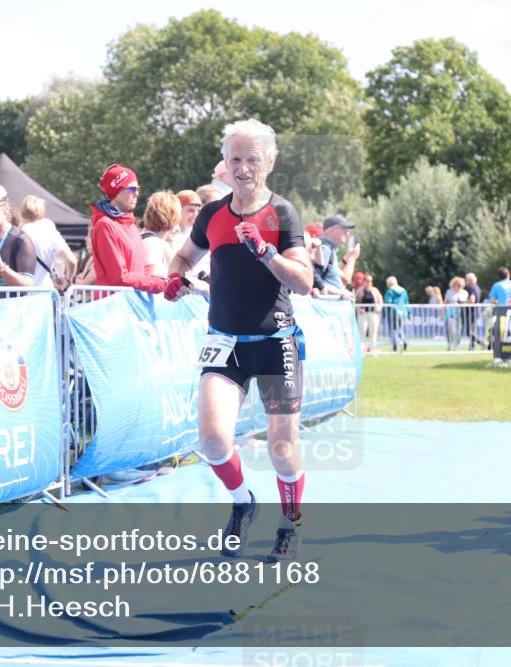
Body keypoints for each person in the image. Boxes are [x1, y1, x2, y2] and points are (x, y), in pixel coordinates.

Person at [167, 119, 312, 562]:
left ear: (270, 162)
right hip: (225, 341)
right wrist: (176, 277)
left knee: (282, 450)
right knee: (212, 440)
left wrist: (267, 252)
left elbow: (305, 281)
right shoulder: (212, 215)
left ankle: (292, 524)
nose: (243, 168)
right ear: (225, 166)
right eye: (235, 159)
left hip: (275, 342)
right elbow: (183, 256)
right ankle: (245, 501)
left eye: (252, 159)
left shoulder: (282, 214)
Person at [90, 164, 167, 294]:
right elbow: (120, 278)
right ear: (116, 191)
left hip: (131, 304)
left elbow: (138, 270)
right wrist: (157, 283)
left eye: (137, 189)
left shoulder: (131, 224)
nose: (136, 193)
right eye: (131, 189)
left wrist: (158, 280)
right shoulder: (105, 225)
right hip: (113, 306)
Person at [17, 195, 76, 289]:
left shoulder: (17, 234)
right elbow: (71, 261)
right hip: (45, 292)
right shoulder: (49, 231)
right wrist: (67, 280)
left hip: (22, 294)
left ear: (21, 214)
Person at [319, 214, 360, 297]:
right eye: (343, 228)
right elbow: (346, 279)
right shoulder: (325, 250)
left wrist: (347, 257)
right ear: (331, 230)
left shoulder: (326, 248)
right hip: (328, 306)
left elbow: (333, 272)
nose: (347, 232)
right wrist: (352, 257)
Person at [141, 191, 181, 277]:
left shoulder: (152, 241)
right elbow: (152, 277)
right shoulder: (152, 243)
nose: (178, 229)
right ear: (169, 218)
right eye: (176, 221)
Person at [355, 273, 383, 354]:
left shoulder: (375, 290)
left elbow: (380, 301)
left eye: (371, 281)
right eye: (367, 281)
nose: (369, 282)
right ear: (364, 281)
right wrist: (359, 308)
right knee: (362, 332)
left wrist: (378, 307)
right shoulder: (360, 291)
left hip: (373, 314)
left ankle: (373, 350)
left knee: (373, 332)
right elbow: (356, 302)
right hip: (363, 315)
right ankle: (361, 351)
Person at [384, 275, 410, 352]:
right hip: (402, 312)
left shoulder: (390, 291)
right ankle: (404, 341)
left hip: (393, 312)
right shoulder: (403, 291)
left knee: (393, 330)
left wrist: (385, 313)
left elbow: (388, 302)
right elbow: (406, 302)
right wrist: (408, 313)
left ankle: (395, 346)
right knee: (400, 329)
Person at [444, 276, 468, 351]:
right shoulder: (449, 292)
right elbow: (445, 302)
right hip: (450, 314)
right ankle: (449, 344)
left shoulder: (464, 293)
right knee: (451, 329)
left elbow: (466, 303)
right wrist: (442, 312)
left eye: (460, 285)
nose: (459, 286)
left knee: (459, 330)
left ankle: (457, 346)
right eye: (458, 285)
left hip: (460, 314)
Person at [463, 272, 483, 350]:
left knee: (469, 332)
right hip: (475, 311)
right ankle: (472, 347)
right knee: (472, 331)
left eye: (466, 280)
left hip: (471, 312)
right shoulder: (477, 287)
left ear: (470, 280)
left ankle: (482, 343)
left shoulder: (470, 288)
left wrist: (464, 303)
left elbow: (472, 300)